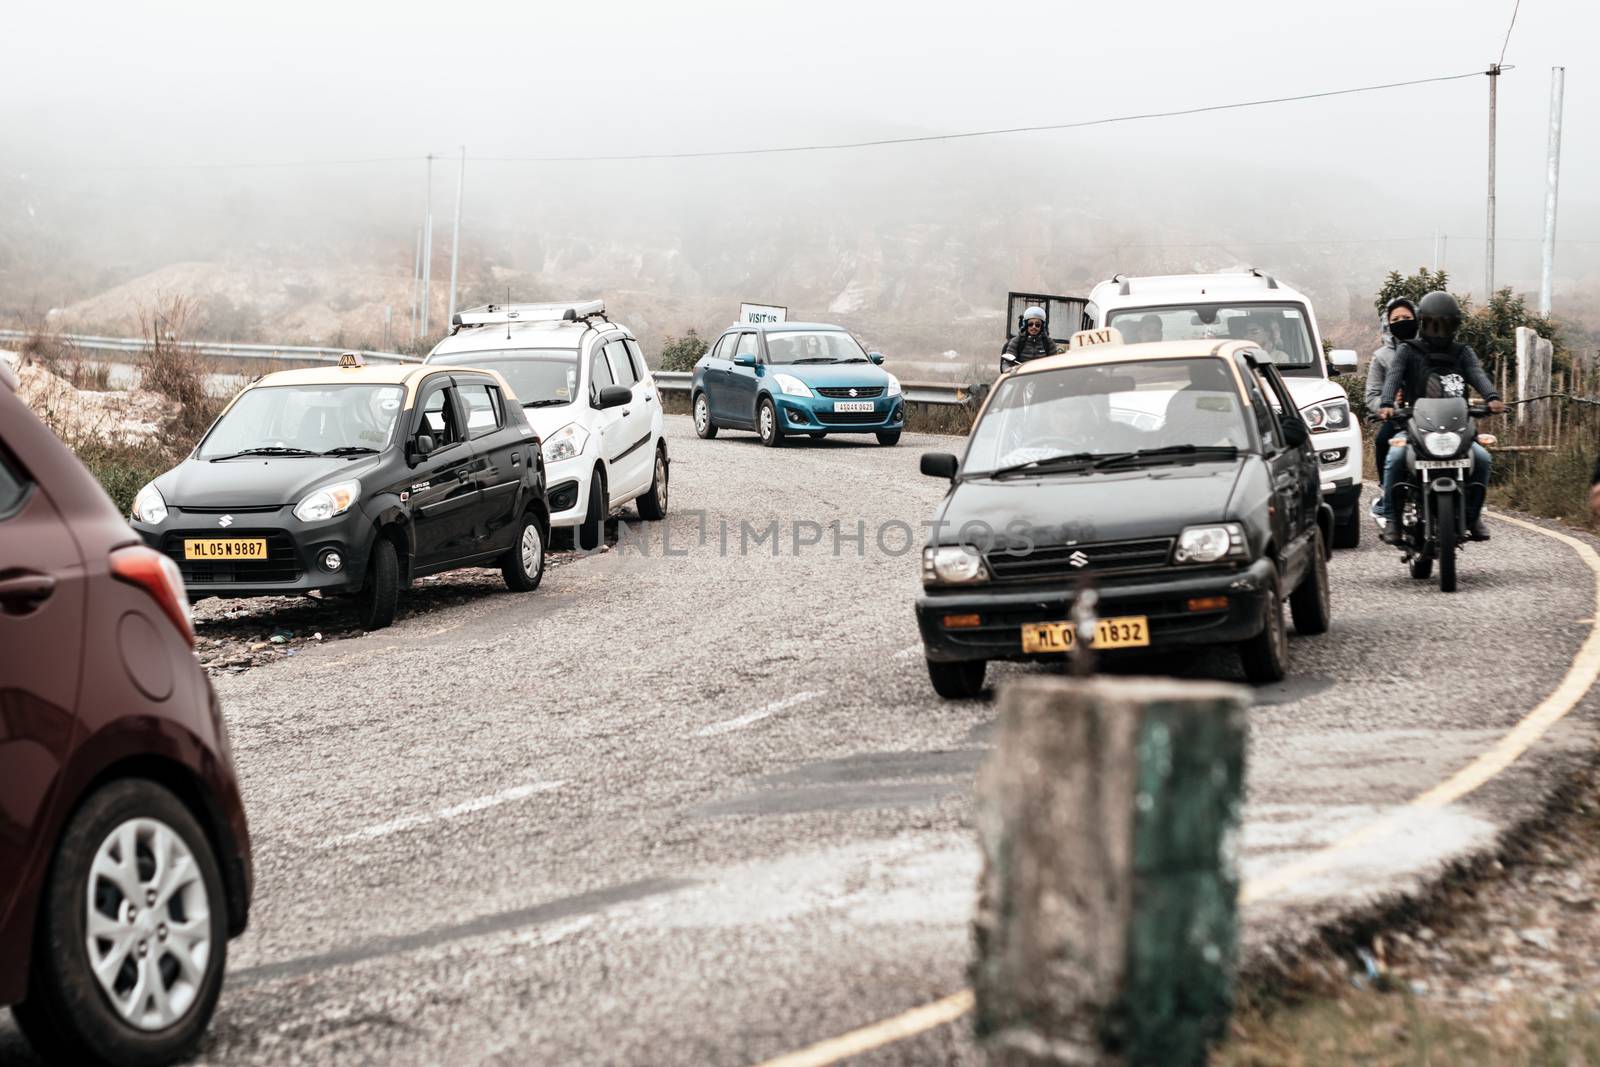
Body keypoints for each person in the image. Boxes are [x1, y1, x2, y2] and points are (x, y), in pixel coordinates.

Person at [1377, 290, 1506, 543]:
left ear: (1454, 325)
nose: (1438, 330)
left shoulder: (1463, 352)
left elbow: (1477, 375)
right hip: (1417, 427)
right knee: (1395, 456)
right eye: (1433, 324)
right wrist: (1386, 404)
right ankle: (1392, 519)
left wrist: (1492, 398)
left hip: (1459, 429)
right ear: (1423, 323)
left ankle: (1472, 515)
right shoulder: (1407, 350)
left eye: (1444, 324)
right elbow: (1393, 377)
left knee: (1482, 458)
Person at [1365, 297, 1418, 529]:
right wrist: (1388, 406)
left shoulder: (1431, 348)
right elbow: (1372, 396)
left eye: (1407, 318)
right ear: (1387, 324)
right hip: (1398, 420)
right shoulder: (1381, 357)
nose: (1402, 322)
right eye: (1395, 319)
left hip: (1431, 416)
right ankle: (1388, 494)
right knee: (1382, 439)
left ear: (1418, 319)